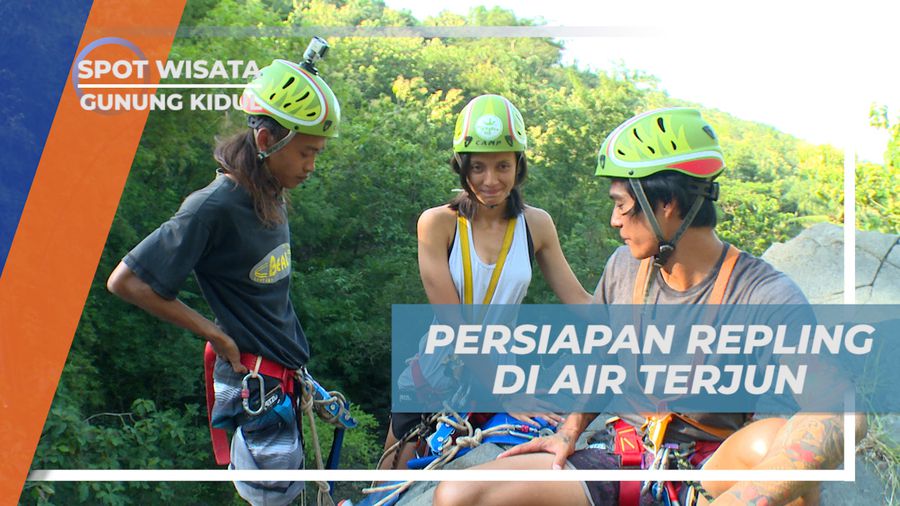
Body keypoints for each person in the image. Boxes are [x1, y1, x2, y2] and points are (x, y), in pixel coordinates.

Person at [432, 108, 866, 506]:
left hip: (709, 470)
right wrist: (569, 430)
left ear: (667, 205)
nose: (614, 220)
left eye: (621, 204)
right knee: (459, 494)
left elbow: (839, 409)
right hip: (624, 456)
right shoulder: (624, 268)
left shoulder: (761, 294)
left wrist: (743, 499)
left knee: (770, 442)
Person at [106, 39, 340, 506]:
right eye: (306, 153)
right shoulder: (213, 206)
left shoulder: (269, 193)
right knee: (273, 499)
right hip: (256, 382)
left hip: (283, 377)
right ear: (267, 141)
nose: (312, 166)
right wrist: (216, 334)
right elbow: (126, 281)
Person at [382, 94, 593, 469]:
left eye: (502, 166)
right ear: (462, 166)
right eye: (477, 167)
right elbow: (454, 323)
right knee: (391, 482)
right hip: (438, 375)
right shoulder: (438, 224)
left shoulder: (536, 225)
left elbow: (579, 299)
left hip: (500, 375)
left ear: (518, 165)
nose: (490, 180)